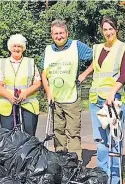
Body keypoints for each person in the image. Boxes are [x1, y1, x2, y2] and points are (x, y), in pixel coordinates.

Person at [78, 16, 125, 184]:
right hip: (96, 99)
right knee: (100, 139)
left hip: (112, 100)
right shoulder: (98, 48)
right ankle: (102, 174)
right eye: (105, 29)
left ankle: (114, 178)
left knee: (114, 138)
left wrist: (112, 92)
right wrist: (84, 74)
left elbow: (124, 74)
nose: (108, 32)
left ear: (116, 29)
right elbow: (96, 64)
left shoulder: (123, 48)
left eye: (111, 29)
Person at [41, 19, 93, 160]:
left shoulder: (76, 46)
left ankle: (75, 162)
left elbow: (97, 58)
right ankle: (61, 160)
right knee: (57, 131)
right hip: (55, 99)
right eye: (56, 33)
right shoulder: (47, 51)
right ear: (52, 35)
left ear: (67, 33)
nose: (59, 36)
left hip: (72, 97)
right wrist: (48, 92)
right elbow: (44, 74)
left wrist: (84, 74)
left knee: (73, 132)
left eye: (61, 33)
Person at [0, 34, 41, 136]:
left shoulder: (30, 62)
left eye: (19, 46)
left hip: (28, 105)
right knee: (8, 138)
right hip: (7, 106)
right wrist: (10, 97)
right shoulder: (2, 63)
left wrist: (25, 93)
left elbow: (37, 83)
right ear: (10, 47)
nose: (16, 49)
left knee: (28, 136)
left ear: (23, 48)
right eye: (14, 46)